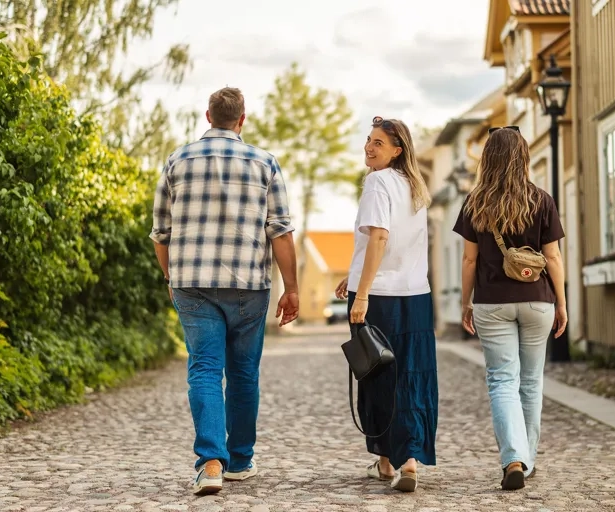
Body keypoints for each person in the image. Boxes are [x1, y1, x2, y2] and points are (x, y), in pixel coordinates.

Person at [150, 87, 300, 496]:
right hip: (248, 285)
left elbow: (160, 234)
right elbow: (281, 232)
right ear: (242, 119)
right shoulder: (265, 163)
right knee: (243, 374)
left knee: (203, 369)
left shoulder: (177, 161)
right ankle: (241, 459)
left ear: (208, 115)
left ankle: (211, 463)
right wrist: (293, 289)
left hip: (192, 283)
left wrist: (170, 277)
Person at [452, 127, 567, 491]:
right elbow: (553, 257)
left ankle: (513, 458)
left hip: (492, 303)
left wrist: (465, 302)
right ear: (523, 157)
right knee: (531, 381)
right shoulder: (542, 200)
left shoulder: (475, 203)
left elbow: (469, 261)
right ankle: (527, 460)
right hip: (537, 300)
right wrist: (561, 303)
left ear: (487, 158)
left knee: (502, 380)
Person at [334, 116, 437, 493]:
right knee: (410, 377)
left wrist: (361, 294)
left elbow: (379, 237)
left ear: (397, 151)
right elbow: (392, 246)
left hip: (380, 298)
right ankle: (405, 460)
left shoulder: (377, 182)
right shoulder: (414, 187)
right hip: (416, 294)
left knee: (377, 376)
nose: (369, 147)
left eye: (378, 143)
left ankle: (389, 460)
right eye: (368, 139)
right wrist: (355, 272)